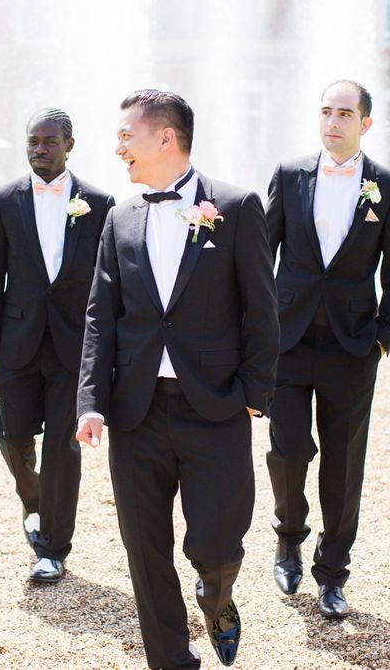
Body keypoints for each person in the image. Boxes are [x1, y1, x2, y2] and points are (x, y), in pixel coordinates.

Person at [76, 89, 278, 668]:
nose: (117, 149)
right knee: (145, 551)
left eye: (125, 136)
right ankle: (170, 658)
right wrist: (91, 400)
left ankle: (216, 595)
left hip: (215, 406)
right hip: (135, 411)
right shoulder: (119, 218)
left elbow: (262, 310)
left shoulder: (236, 207)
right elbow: (100, 317)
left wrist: (252, 396)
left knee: (215, 541)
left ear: (165, 137)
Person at [265, 80, 390, 617]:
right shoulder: (288, 175)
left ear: (365, 124)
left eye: (345, 113)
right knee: (288, 451)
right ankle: (288, 535)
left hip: (353, 347)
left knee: (344, 465)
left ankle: (332, 573)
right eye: (326, 111)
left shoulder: (388, 186)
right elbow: (262, 258)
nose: (333, 122)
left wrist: (382, 338)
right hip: (289, 340)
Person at [0, 107, 114, 582]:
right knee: (11, 434)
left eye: (49, 141)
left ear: (69, 145)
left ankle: (54, 548)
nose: (39, 149)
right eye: (33, 141)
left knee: (62, 446)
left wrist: (107, 354)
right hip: (17, 343)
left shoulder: (100, 202)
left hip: (74, 349)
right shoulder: (3, 200)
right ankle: (33, 500)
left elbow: (107, 284)